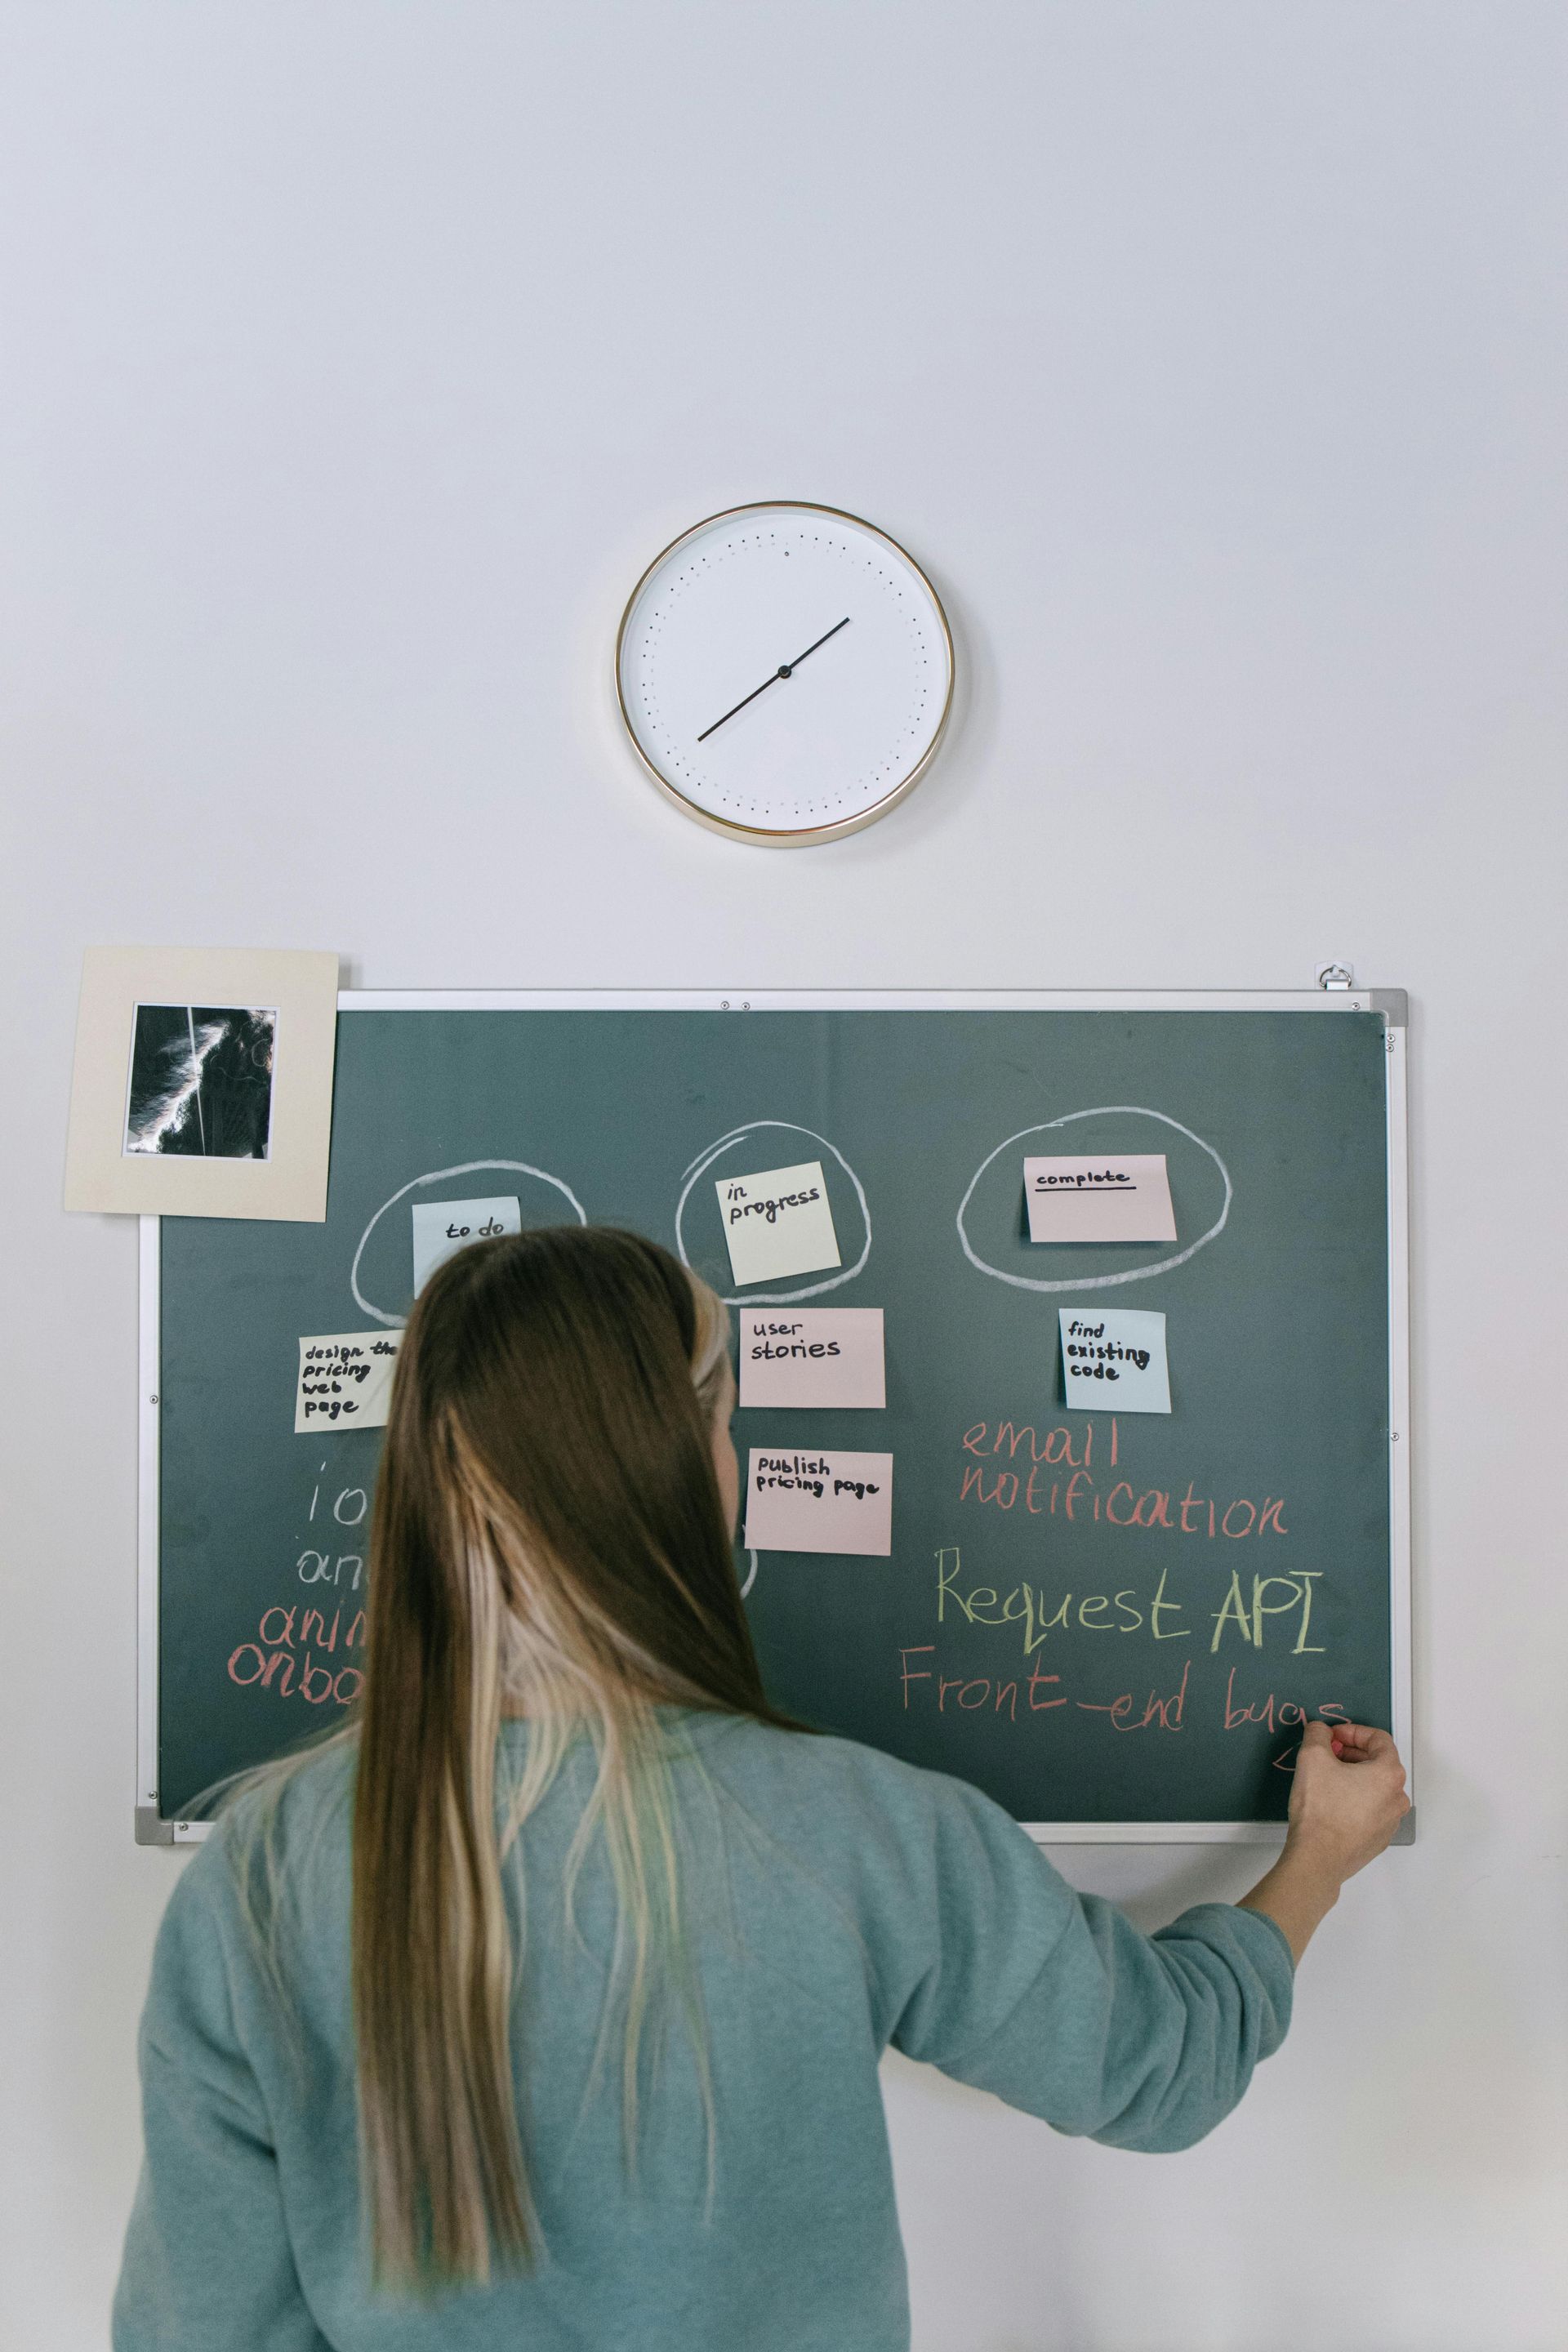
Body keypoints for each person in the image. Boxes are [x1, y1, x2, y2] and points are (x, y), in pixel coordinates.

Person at [114, 1227, 1409, 2351]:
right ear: (684, 1463)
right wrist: (1318, 1864)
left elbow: (205, 2327)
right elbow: (1157, 2069)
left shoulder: (267, 1869)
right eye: (729, 1417)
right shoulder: (857, 1832)